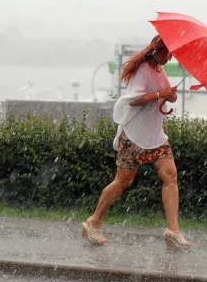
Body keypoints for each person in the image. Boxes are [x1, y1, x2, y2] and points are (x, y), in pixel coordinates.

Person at [81, 35, 192, 249]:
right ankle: (93, 223)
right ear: (158, 50)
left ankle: (173, 231)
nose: (170, 58)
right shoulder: (143, 70)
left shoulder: (160, 68)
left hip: (155, 137)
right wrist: (161, 93)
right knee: (123, 182)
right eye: (168, 53)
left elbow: (158, 94)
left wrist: (168, 96)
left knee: (170, 176)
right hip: (134, 136)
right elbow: (134, 99)